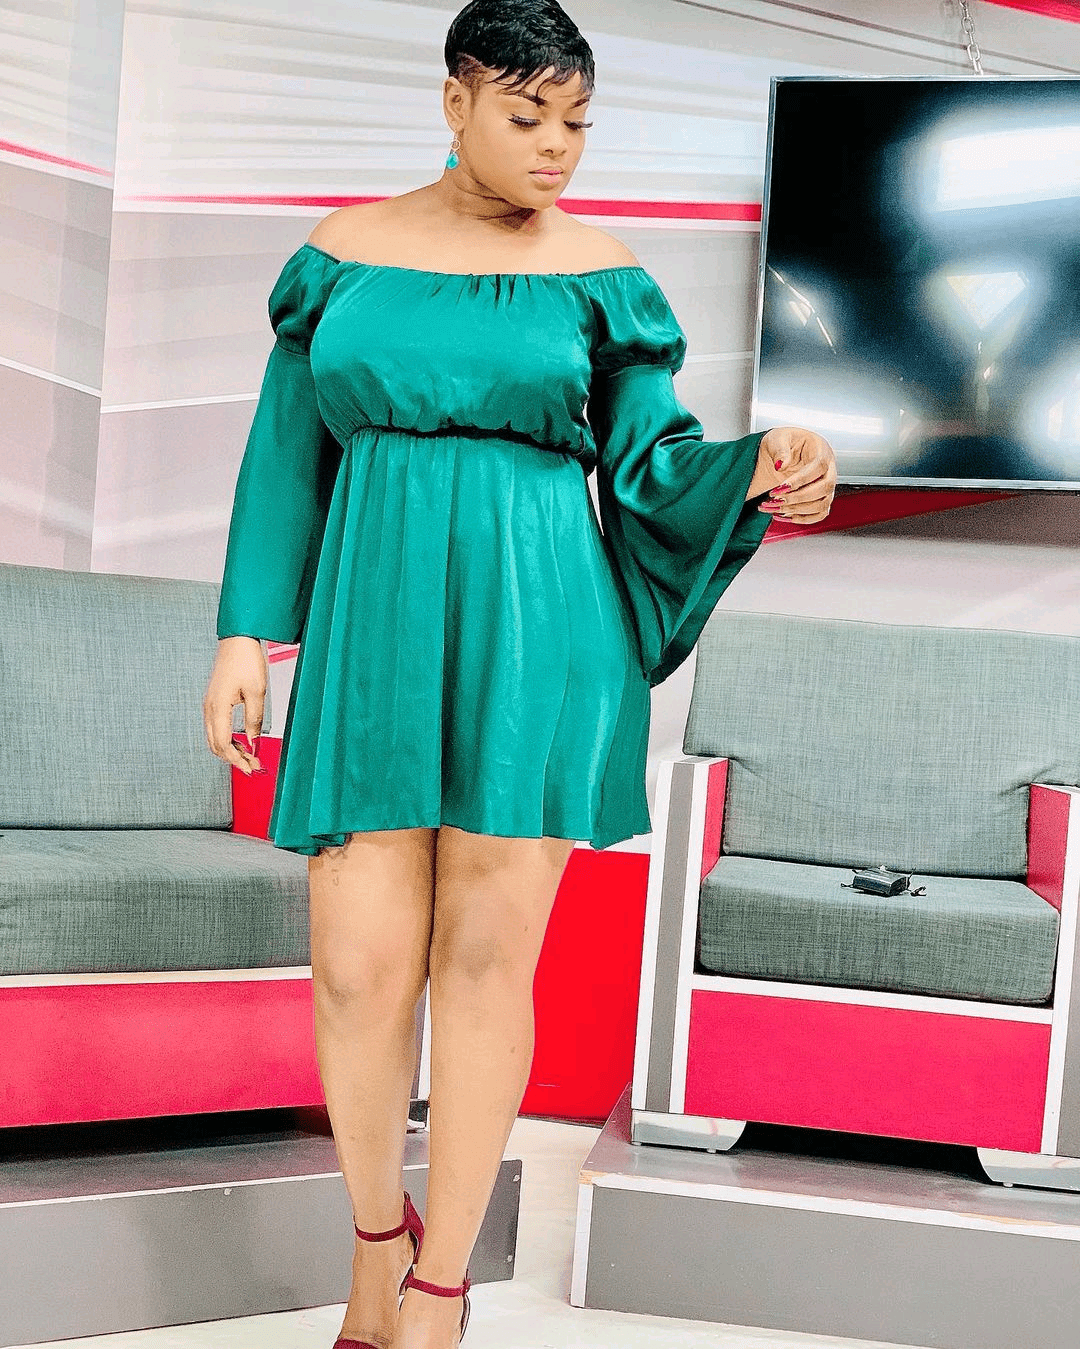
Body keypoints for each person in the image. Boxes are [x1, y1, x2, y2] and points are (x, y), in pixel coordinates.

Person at [202, 3, 836, 1346]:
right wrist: (246, 634)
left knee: (488, 961)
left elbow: (655, 466)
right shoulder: (342, 256)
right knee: (357, 968)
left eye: (577, 123)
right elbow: (286, 454)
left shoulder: (601, 276)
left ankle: (441, 1290)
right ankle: (378, 1242)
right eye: (527, 115)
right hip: (372, 627)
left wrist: (762, 465)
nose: (558, 146)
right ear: (455, 101)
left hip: (543, 629)